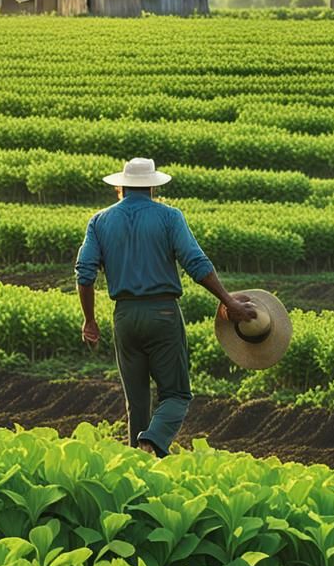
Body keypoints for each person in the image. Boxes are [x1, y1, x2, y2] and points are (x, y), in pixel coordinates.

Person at [74, 157, 257, 457]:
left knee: (137, 401)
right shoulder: (170, 217)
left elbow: (85, 273)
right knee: (176, 394)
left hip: (125, 316)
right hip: (163, 313)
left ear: (120, 187)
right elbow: (196, 264)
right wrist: (229, 302)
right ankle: (153, 441)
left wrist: (90, 321)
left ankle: (139, 464)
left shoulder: (99, 221)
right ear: (152, 187)